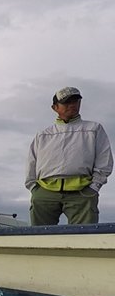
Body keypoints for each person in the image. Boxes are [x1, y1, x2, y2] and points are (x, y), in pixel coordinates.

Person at [25, 86, 113, 225]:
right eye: (66, 102)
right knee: (39, 238)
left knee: (84, 239)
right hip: (45, 192)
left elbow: (104, 159)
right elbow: (32, 161)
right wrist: (34, 188)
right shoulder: (43, 134)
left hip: (83, 192)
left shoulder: (94, 129)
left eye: (76, 101)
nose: (72, 105)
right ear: (55, 107)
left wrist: (94, 187)